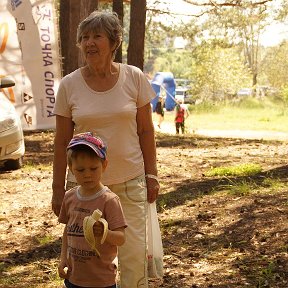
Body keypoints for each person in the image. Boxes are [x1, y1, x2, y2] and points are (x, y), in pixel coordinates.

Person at [52, 11, 160, 288]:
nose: (89, 43)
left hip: (129, 182)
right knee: (88, 263)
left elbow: (146, 131)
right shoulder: (69, 85)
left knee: (133, 259)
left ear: (113, 42)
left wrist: (152, 175)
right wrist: (57, 190)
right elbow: (62, 142)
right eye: (84, 37)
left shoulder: (134, 77)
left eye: (97, 36)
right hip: (84, 189)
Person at [58, 132, 127, 288]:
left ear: (104, 166)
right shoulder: (69, 197)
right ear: (71, 168)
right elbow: (67, 230)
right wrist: (63, 258)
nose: (87, 175)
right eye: (81, 170)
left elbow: (121, 238)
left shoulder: (109, 200)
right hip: (74, 278)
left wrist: (105, 232)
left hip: (102, 279)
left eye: (93, 168)